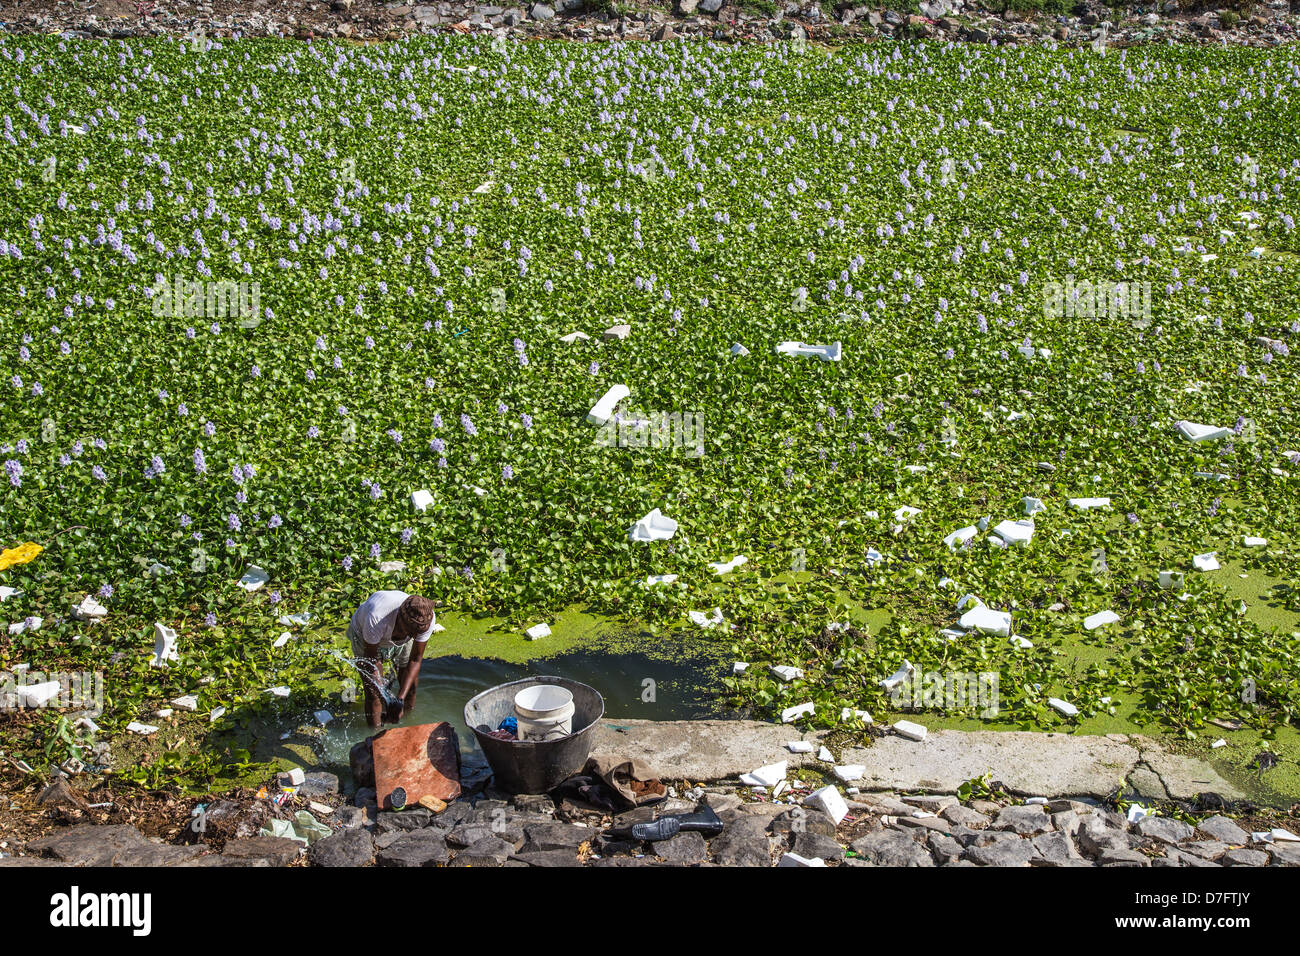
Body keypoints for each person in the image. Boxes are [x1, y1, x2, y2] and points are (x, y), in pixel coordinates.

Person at [347, 591, 436, 728]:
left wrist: (399, 700)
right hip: (363, 635)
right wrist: (386, 699)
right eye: (412, 632)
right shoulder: (377, 617)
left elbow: (415, 660)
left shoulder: (425, 619)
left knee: (411, 687)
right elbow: (372, 661)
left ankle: (406, 723)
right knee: (373, 693)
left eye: (418, 633)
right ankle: (375, 736)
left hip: (398, 633)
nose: (415, 636)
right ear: (401, 620)